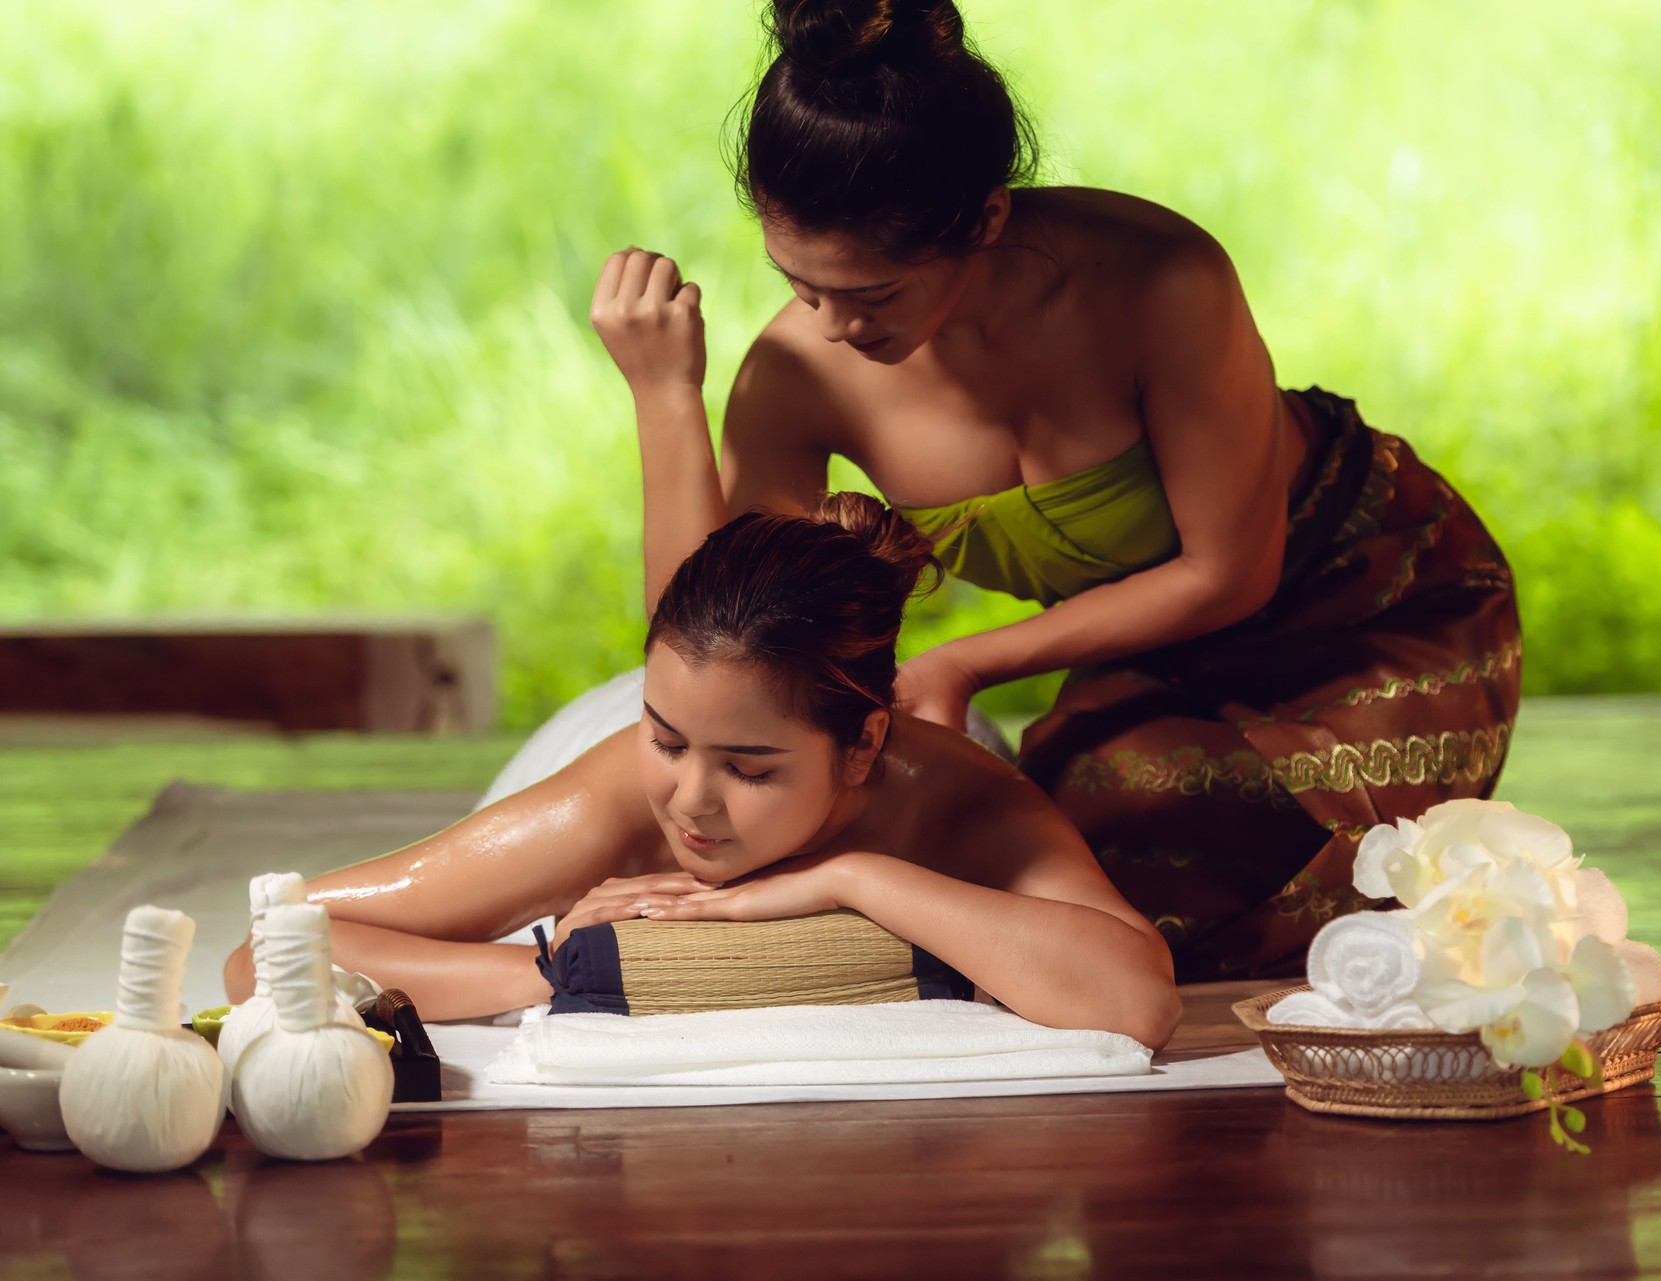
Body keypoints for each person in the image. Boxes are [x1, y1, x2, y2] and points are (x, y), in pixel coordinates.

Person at [589, 0, 1522, 981]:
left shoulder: (1160, 282)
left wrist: (962, 665)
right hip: (1154, 653)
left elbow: (1229, 573)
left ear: (985, 217)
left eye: (871, 296)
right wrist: (665, 397)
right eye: (799, 284)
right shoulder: (800, 372)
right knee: (1052, 855)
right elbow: (712, 643)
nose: (831, 325)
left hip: (1371, 598)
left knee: (1144, 879)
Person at [223, 493, 1180, 1043]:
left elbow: (1138, 999)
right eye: (670, 743)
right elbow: (265, 953)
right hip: (592, 739)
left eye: (749, 771)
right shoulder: (620, 800)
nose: (691, 803)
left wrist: (852, 879)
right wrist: (546, 968)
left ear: (865, 748)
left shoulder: (963, 805)